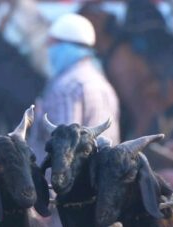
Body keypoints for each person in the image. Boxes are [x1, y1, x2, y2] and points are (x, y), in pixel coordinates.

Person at [29, 12, 121, 161]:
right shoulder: (102, 82)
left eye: (52, 43)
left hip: (69, 183)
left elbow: (64, 150)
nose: (49, 50)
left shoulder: (66, 87)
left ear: (65, 45)